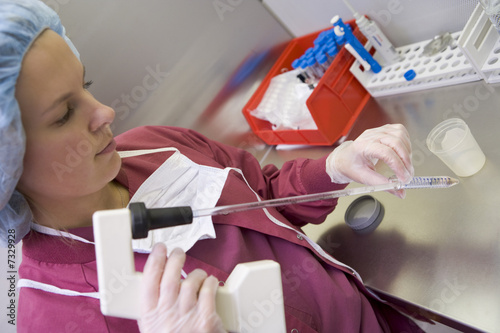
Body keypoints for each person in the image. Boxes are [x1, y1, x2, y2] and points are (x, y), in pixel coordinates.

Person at [0, 0, 424, 332]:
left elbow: (266, 192)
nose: (105, 112)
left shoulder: (155, 145)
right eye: (63, 114)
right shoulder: (51, 314)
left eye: (86, 86)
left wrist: (334, 168)